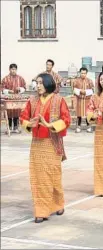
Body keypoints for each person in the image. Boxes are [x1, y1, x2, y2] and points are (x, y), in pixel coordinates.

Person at [20, 73, 71, 223]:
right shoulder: (32, 100)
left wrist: (49, 125)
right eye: (37, 83)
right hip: (36, 144)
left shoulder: (59, 100)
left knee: (53, 176)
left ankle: (58, 203)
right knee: (38, 178)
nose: (39, 85)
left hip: (52, 143)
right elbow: (23, 117)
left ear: (48, 83)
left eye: (41, 83)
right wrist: (30, 124)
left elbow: (66, 119)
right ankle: (41, 211)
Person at [1, 63, 26, 133]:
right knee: (9, 112)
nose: (13, 71)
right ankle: (9, 128)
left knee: (17, 112)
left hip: (17, 98)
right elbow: (2, 88)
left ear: (16, 70)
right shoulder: (5, 78)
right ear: (9, 69)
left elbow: (24, 87)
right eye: (12, 69)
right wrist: (8, 91)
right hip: (8, 98)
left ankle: (15, 128)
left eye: (15, 69)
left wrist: (20, 88)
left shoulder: (20, 78)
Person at [73, 67, 95, 133]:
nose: (83, 74)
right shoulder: (76, 81)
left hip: (87, 100)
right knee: (79, 114)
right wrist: (80, 91)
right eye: (82, 73)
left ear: (86, 73)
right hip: (79, 100)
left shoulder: (90, 81)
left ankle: (89, 127)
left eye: (84, 73)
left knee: (87, 114)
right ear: (80, 73)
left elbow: (92, 90)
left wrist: (85, 92)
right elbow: (74, 89)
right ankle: (78, 127)